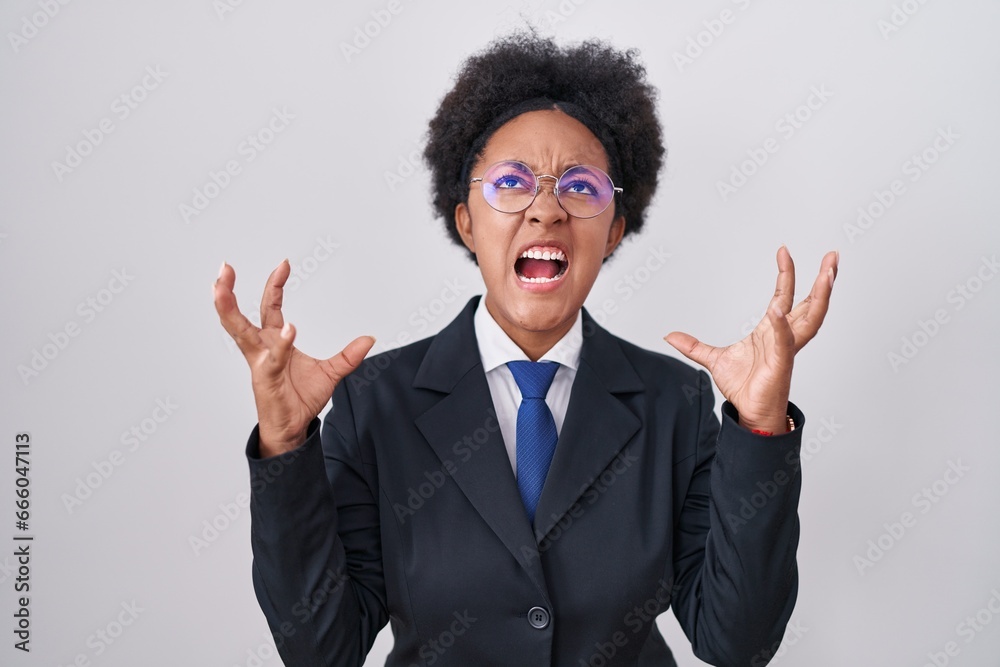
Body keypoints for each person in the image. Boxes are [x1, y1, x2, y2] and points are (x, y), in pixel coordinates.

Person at [213, 32, 838, 667]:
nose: (546, 211)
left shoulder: (673, 402)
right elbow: (320, 648)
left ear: (615, 231)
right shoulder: (374, 403)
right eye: (512, 183)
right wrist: (286, 446)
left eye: (582, 188)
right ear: (466, 223)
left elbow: (739, 642)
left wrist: (760, 428)